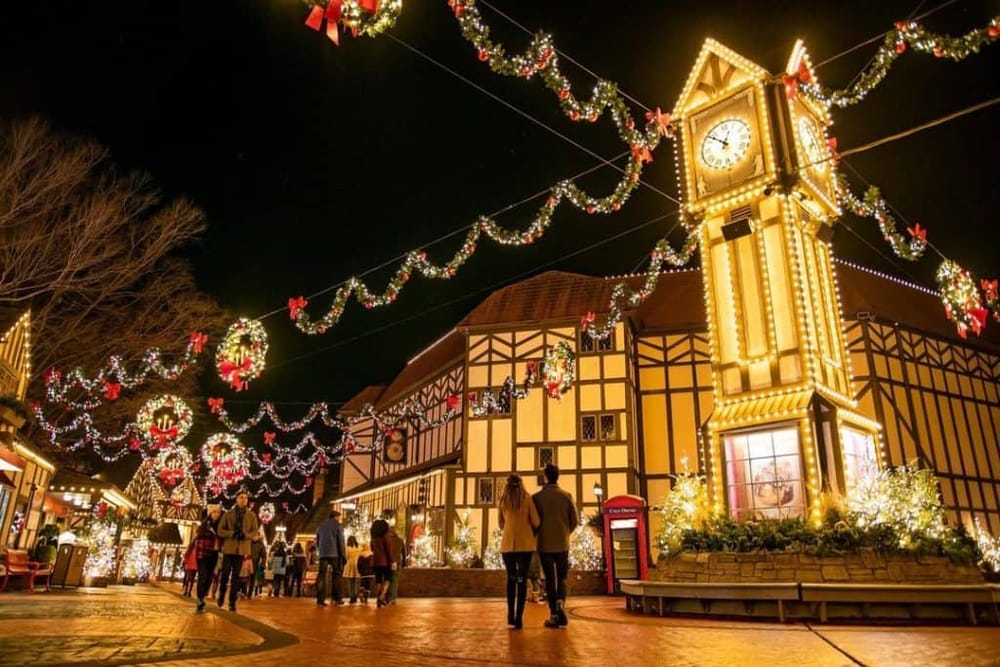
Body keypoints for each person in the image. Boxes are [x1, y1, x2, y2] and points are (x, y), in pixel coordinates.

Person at [533, 463, 578, 628]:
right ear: (557, 476)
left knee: (550, 580)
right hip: (562, 544)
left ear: (545, 477)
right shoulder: (566, 496)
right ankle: (561, 602)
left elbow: (534, 522)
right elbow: (575, 520)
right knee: (562, 578)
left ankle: (553, 614)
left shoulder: (537, 498)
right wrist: (565, 532)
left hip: (544, 545)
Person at [498, 473, 540, 629]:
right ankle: (518, 618)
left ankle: (510, 614)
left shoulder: (503, 501)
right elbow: (536, 521)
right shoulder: (527, 499)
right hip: (525, 546)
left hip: (508, 546)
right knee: (522, 581)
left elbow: (501, 525)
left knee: (511, 579)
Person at [216, 488, 261, 612]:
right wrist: (232, 534)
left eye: (245, 498)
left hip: (241, 550)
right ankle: (221, 594)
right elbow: (220, 530)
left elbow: (254, 532)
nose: (243, 500)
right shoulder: (228, 514)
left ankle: (232, 602)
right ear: (236, 499)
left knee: (236, 576)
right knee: (225, 575)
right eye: (241, 497)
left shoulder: (251, 515)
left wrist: (245, 535)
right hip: (229, 548)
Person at [193, 504, 222, 613]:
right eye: (214, 512)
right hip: (203, 554)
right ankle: (200, 599)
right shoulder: (204, 526)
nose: (216, 515)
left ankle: (203, 596)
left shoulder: (220, 526)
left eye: (218, 513)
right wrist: (199, 555)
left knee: (209, 578)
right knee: (202, 577)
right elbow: (198, 540)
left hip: (213, 554)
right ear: (210, 513)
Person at [314, 509, 346, 606]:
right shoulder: (338, 526)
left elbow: (318, 541)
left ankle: (320, 599)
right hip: (334, 553)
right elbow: (340, 542)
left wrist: (320, 550)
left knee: (321, 576)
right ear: (335, 517)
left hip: (323, 554)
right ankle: (336, 598)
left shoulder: (321, 526)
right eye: (339, 517)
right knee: (336, 575)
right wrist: (343, 555)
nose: (340, 519)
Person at [369, 519, 394, 607]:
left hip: (375, 561)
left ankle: (378, 598)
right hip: (385, 562)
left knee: (378, 580)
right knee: (388, 579)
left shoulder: (373, 538)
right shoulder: (386, 536)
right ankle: (382, 596)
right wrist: (392, 560)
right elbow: (388, 550)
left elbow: (372, 548)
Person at [386, 526, 405, 604]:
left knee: (387, 580)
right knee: (395, 581)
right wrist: (404, 564)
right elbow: (403, 553)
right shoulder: (400, 541)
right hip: (397, 562)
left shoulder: (386, 540)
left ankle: (386, 597)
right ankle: (392, 598)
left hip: (387, 563)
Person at [343, 535, 362, 603]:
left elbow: (346, 556)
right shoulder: (359, 547)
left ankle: (351, 597)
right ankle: (355, 596)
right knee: (356, 582)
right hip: (357, 564)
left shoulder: (347, 547)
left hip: (349, 564)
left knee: (350, 582)